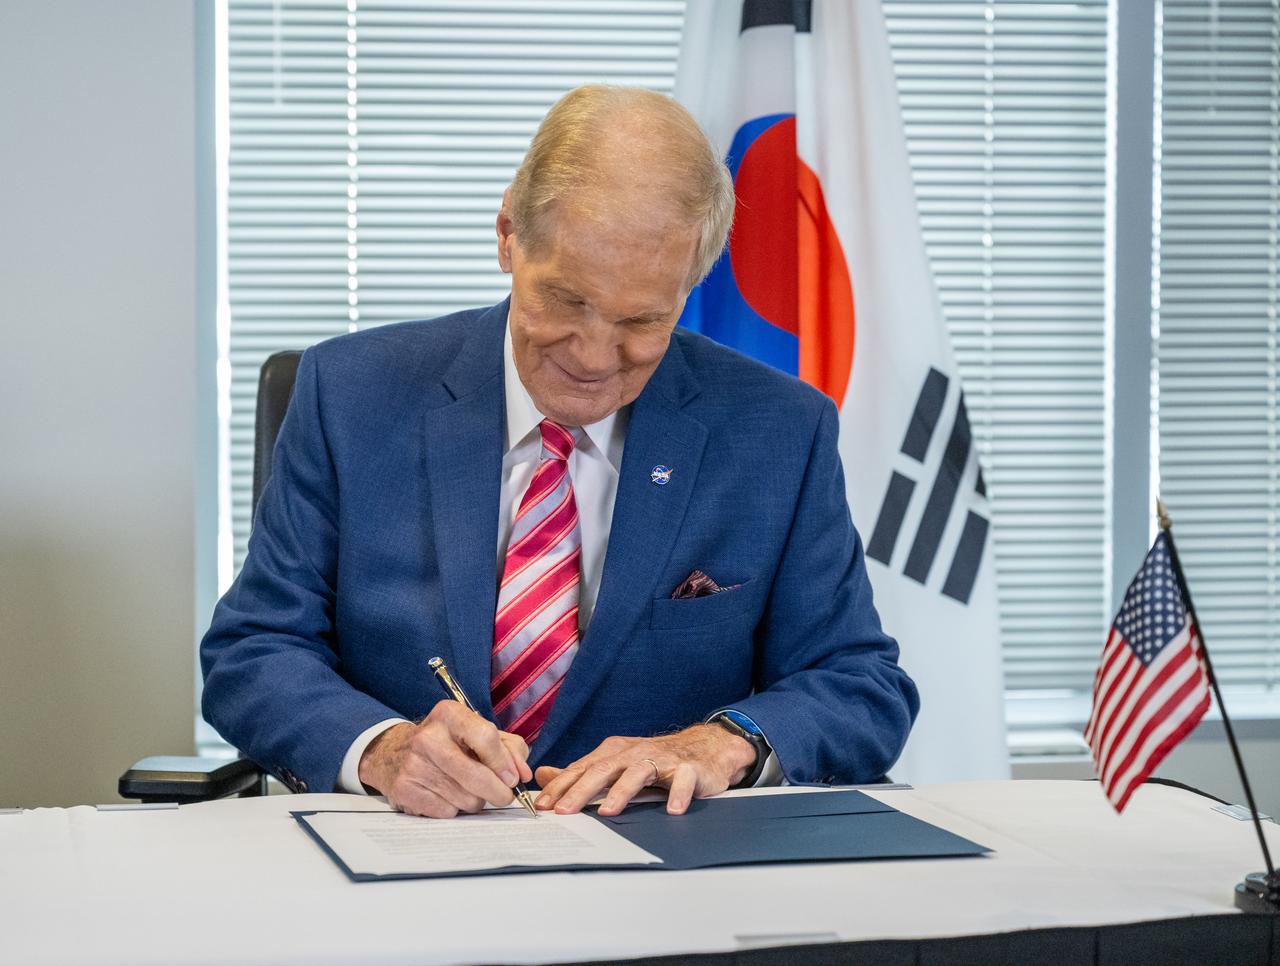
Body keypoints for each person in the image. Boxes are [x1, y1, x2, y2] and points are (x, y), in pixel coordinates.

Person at [201, 85, 919, 820]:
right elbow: (253, 651)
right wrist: (383, 751)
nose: (595, 357)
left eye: (642, 320)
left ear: (690, 287)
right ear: (508, 234)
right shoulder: (351, 393)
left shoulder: (779, 429)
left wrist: (721, 744)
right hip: (410, 845)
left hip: (662, 861)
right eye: (568, 301)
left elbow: (859, 684)